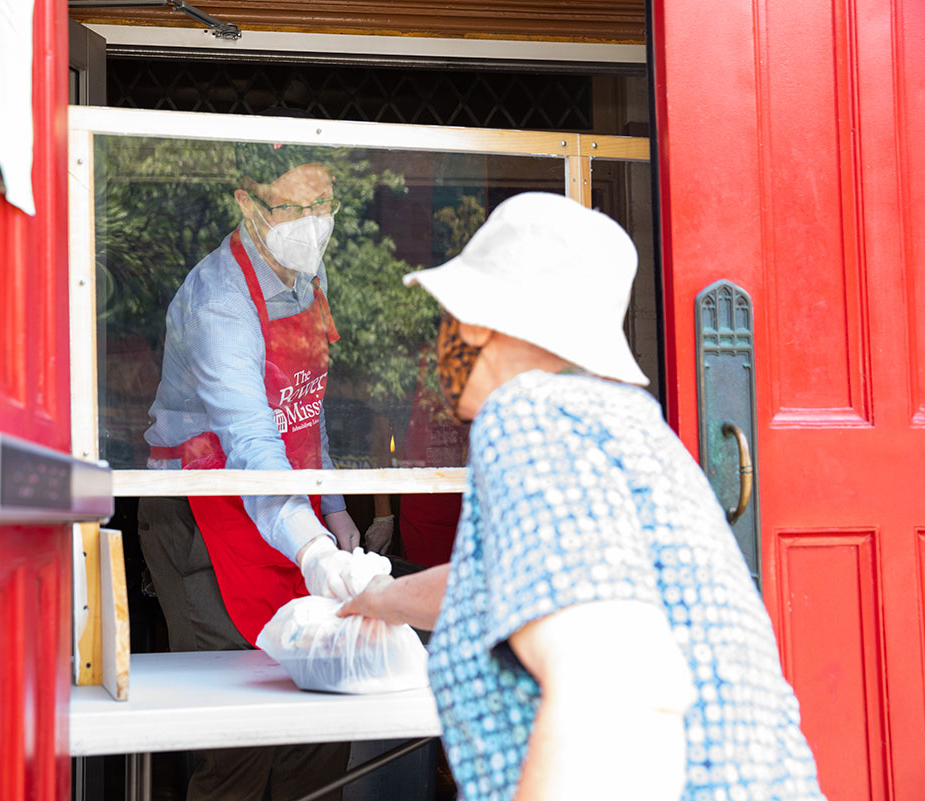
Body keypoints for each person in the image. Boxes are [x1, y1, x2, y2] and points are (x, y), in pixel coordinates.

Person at [341, 192, 826, 801]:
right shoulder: (622, 421)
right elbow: (501, 581)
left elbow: (611, 684)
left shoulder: (528, 412)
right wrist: (377, 599)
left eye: (447, 313)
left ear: (474, 321)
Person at [138, 140, 388, 801]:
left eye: (325, 203)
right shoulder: (218, 302)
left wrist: (335, 514)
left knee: (320, 713)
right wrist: (312, 548)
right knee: (243, 727)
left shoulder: (308, 273)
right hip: (204, 511)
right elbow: (250, 440)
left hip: (290, 502)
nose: (315, 221)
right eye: (294, 206)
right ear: (247, 206)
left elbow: (307, 408)